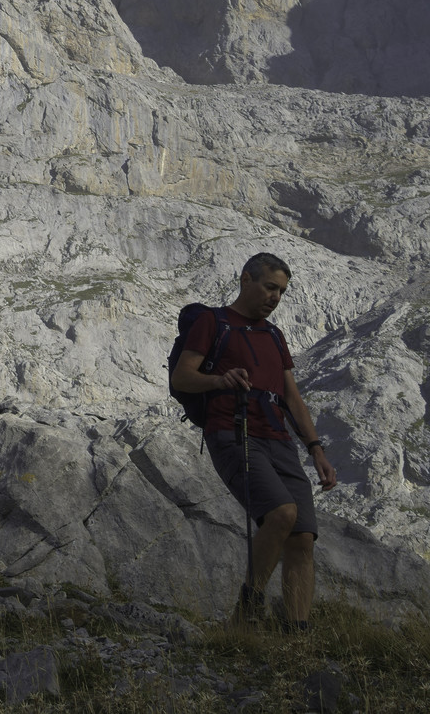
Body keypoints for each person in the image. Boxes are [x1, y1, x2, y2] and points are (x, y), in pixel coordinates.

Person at [169, 252, 338, 630]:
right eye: (269, 287)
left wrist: (316, 450)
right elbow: (182, 378)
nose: (275, 297)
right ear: (246, 280)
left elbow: (292, 397)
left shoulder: (274, 336)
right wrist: (220, 380)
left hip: (279, 438)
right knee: (281, 514)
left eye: (281, 291)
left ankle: (297, 635)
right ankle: (248, 611)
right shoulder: (214, 322)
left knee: (302, 538)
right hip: (233, 432)